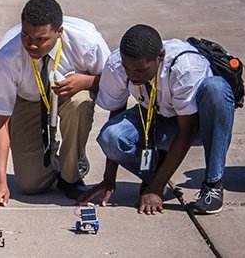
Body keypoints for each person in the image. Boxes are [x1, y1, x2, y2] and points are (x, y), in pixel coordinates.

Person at [79, 24, 234, 215]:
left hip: (198, 126)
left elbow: (186, 132)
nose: (133, 76)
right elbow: (116, 115)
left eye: (140, 70)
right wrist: (109, 178)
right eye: (128, 69)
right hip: (156, 118)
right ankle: (153, 169)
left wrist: (156, 188)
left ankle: (213, 184)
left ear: (159, 57)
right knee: (110, 136)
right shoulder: (117, 64)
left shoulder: (185, 68)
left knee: (216, 88)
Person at [0, 0, 110, 208]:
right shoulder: (5, 55)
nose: (31, 45)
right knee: (31, 185)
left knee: (81, 104)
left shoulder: (87, 40)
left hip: (71, 92)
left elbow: (116, 82)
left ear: (59, 32)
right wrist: (0, 182)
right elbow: (0, 120)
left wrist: (87, 81)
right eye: (26, 36)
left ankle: (71, 174)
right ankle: (52, 160)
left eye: (41, 39)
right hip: (29, 98)